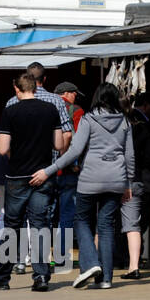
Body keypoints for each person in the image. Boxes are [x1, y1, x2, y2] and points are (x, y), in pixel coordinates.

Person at [32, 83, 135, 290]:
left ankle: (90, 264)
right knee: (106, 227)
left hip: (90, 178)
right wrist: (128, 183)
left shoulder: (89, 118)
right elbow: (129, 155)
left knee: (81, 221)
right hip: (116, 179)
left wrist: (49, 170)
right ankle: (106, 278)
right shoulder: (125, 121)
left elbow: (74, 151)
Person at [0, 73, 63, 291]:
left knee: (12, 226)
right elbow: (59, 144)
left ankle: (1, 277)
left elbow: (2, 149)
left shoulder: (11, 111)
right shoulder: (50, 110)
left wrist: (15, 152)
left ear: (17, 89)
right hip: (42, 174)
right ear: (36, 87)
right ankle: (41, 276)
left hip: (17, 176)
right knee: (40, 225)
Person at [6, 63, 73, 268]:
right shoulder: (55, 102)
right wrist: (58, 160)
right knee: (42, 218)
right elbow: (67, 134)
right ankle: (42, 266)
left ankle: (18, 260)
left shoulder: (11, 103)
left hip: (18, 170)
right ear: (44, 80)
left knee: (17, 217)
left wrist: (13, 158)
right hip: (46, 169)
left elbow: (5, 141)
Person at [122, 92, 150, 280]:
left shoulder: (119, 124)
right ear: (146, 105)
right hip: (140, 178)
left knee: (110, 221)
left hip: (117, 177)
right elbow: (149, 156)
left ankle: (115, 259)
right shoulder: (142, 126)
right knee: (138, 222)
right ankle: (134, 262)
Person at [52, 81, 86, 264]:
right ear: (67, 93)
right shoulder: (76, 111)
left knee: (42, 216)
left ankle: (37, 258)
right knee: (66, 214)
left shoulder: (44, 106)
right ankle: (60, 256)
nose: (76, 97)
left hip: (44, 169)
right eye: (75, 94)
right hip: (68, 170)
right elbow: (79, 140)